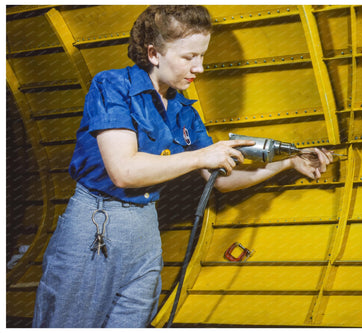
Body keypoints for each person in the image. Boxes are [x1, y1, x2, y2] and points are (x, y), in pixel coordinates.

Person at [32, 5, 333, 328]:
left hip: (145, 230)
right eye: (189, 57)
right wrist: (202, 156)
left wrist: (287, 164)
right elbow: (125, 171)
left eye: (201, 56)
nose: (199, 68)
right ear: (154, 53)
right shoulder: (112, 86)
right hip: (97, 222)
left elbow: (218, 180)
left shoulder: (183, 109)